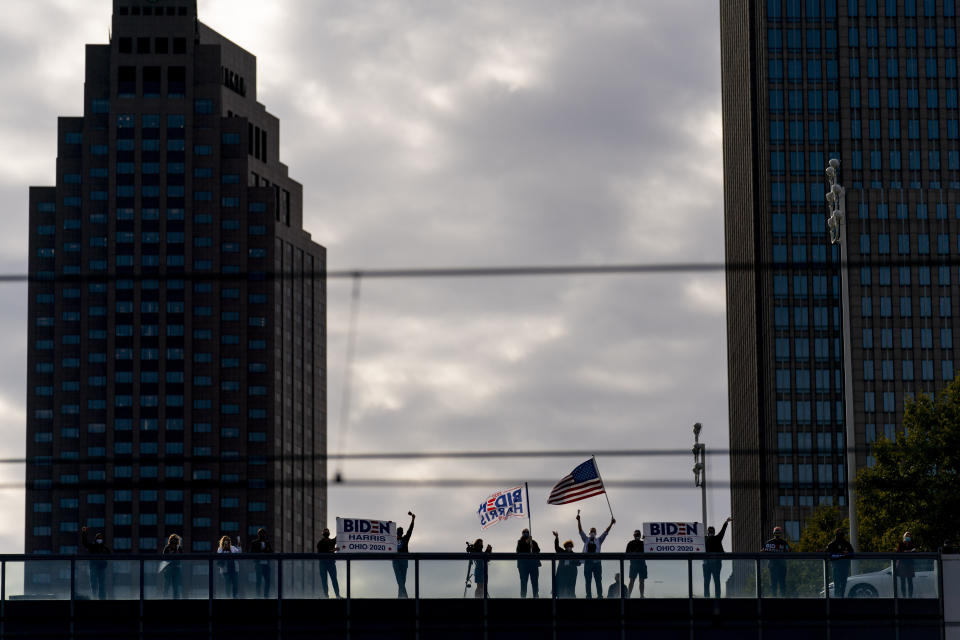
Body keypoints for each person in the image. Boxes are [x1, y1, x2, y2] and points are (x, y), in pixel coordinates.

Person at [577, 513, 615, 598]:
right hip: (588, 562)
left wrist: (611, 523)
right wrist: (579, 520)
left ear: (596, 533)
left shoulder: (599, 540)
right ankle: (588, 595)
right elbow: (580, 531)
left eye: (594, 531)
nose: (593, 532)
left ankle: (600, 595)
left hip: (597, 563)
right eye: (591, 531)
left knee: (598, 580)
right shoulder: (586, 539)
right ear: (589, 533)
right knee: (588, 580)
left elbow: (606, 532)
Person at [703, 517, 732, 598]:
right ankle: (716, 597)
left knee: (708, 581)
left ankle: (707, 597)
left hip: (708, 564)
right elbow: (723, 531)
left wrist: (726, 522)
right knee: (715, 581)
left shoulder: (705, 539)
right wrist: (726, 522)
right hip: (713, 564)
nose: (711, 533)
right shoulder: (715, 538)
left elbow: (722, 531)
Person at [80, 526, 111, 600]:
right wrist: (84, 532)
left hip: (102, 568)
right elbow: (85, 543)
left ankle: (102, 598)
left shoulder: (105, 548)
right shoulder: (92, 546)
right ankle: (94, 597)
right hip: (94, 567)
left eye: (101, 538)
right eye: (98, 538)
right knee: (94, 583)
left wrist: (105, 563)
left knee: (102, 584)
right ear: (96, 539)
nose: (99, 540)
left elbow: (109, 556)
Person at [761, 526, 791, 597]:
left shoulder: (773, 543)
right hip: (776, 566)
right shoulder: (782, 543)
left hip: (778, 566)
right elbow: (789, 552)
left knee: (779, 583)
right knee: (777, 584)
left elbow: (789, 552)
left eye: (778, 532)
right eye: (776, 532)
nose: (777, 534)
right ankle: (777, 597)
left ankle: (779, 597)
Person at [824, 528, 854, 598]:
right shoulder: (832, 544)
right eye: (839, 534)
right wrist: (840, 555)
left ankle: (841, 598)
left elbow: (852, 553)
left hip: (844, 567)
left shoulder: (847, 544)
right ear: (836, 535)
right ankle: (837, 598)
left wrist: (846, 554)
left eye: (841, 534)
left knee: (843, 584)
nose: (840, 536)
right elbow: (827, 554)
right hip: (836, 567)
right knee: (837, 584)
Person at [393, 512, 415, 598]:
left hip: (404, 560)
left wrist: (413, 519)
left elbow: (410, 530)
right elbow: (386, 536)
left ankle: (401, 596)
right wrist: (388, 525)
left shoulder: (405, 538)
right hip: (396, 560)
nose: (399, 533)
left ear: (401, 533)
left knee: (402, 580)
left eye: (400, 532)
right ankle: (404, 596)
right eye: (398, 532)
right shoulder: (392, 540)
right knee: (400, 579)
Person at [248, 528, 274, 598]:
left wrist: (265, 551)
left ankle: (266, 595)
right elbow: (252, 553)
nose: (262, 536)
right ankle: (258, 595)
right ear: (258, 535)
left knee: (267, 581)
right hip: (258, 564)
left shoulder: (267, 543)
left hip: (266, 565)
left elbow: (271, 553)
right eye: (261, 534)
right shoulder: (254, 543)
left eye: (263, 534)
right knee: (258, 581)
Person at [516, 528, 541, 598]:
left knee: (535, 582)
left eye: (527, 532)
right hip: (523, 566)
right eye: (524, 533)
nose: (526, 534)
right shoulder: (520, 542)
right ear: (522, 534)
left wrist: (533, 547)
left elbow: (538, 550)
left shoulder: (533, 542)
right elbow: (519, 550)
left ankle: (536, 596)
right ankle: (523, 596)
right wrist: (527, 542)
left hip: (533, 565)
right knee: (523, 582)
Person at [316, 528, 341, 599]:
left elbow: (339, 536)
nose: (326, 533)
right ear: (323, 534)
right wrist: (334, 550)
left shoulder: (332, 541)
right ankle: (326, 596)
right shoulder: (320, 543)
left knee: (334, 579)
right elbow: (322, 552)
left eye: (327, 532)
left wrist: (340, 524)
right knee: (324, 580)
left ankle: (337, 595)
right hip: (323, 563)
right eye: (325, 532)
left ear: (329, 533)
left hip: (330, 563)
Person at [160, 534, 183, 599]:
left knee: (175, 586)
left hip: (175, 569)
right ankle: (165, 598)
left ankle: (175, 598)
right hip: (169, 569)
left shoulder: (179, 548)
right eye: (174, 542)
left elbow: (182, 558)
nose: (174, 544)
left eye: (176, 542)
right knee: (167, 586)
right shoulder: (167, 548)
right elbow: (164, 558)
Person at [625, 530, 647, 598]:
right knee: (632, 581)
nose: (637, 536)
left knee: (641, 581)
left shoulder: (643, 543)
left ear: (640, 535)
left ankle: (641, 595)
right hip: (635, 564)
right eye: (636, 535)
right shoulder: (631, 543)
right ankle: (629, 595)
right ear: (634, 535)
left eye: (638, 535)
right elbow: (627, 554)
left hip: (641, 564)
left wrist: (646, 540)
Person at [895, 531, 917, 598]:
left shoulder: (912, 544)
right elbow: (898, 552)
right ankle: (904, 596)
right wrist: (906, 551)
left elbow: (915, 552)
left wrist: (909, 551)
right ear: (904, 537)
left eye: (909, 536)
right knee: (903, 582)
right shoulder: (901, 543)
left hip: (909, 565)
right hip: (902, 565)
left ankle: (910, 596)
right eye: (907, 536)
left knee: (910, 582)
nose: (908, 537)